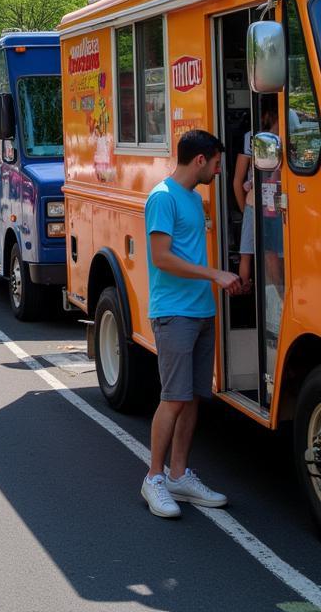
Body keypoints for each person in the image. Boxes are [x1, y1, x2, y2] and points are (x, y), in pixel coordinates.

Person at [140, 130, 241, 519]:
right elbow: (161, 257)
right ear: (200, 160)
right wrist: (214, 275)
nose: (219, 170)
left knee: (194, 396)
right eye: (216, 163)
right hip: (174, 312)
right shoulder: (163, 197)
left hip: (200, 311)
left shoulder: (194, 199)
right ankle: (154, 478)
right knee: (174, 398)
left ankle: (179, 474)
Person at [232, 98, 277, 296]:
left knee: (247, 254)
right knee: (272, 254)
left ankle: (248, 292)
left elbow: (237, 181)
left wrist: (245, 210)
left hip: (253, 202)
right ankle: (278, 297)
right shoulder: (284, 135)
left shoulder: (252, 137)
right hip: (274, 204)